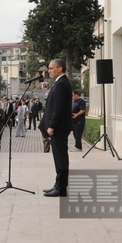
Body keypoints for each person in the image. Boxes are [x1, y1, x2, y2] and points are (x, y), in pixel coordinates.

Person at [41, 59, 72, 197]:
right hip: (59, 127)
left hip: (59, 128)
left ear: (59, 68)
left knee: (60, 158)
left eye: (51, 68)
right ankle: (58, 184)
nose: (49, 71)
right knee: (59, 157)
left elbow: (59, 108)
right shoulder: (60, 82)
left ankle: (61, 187)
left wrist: (52, 125)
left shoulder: (61, 83)